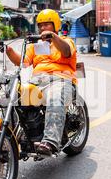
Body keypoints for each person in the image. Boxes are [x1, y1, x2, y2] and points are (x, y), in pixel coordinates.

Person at [5, 9, 77, 156]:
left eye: (46, 25)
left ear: (55, 25)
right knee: (12, 96)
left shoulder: (66, 41)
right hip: (37, 82)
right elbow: (23, 63)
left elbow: (67, 51)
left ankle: (50, 142)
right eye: (40, 25)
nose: (42, 28)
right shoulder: (36, 46)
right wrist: (9, 51)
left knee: (55, 97)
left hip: (61, 80)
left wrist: (54, 37)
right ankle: (10, 138)